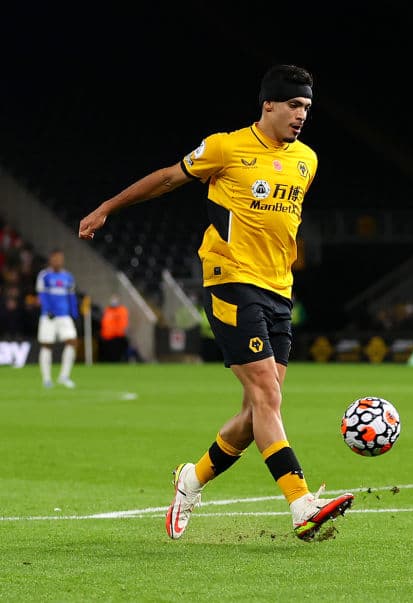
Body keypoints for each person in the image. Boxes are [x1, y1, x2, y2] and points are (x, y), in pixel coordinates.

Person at [78, 64, 353, 542]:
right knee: (268, 396)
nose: (301, 115)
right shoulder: (225, 147)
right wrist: (106, 207)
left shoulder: (307, 160)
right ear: (268, 103)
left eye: (307, 107)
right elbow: (167, 178)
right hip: (229, 282)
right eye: (293, 105)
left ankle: (191, 480)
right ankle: (302, 503)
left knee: (257, 410)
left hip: (278, 291)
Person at [36, 249, 79, 388]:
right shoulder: (44, 276)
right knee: (47, 345)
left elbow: (71, 297)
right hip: (48, 317)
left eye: (60, 258)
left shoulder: (68, 277)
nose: (58, 261)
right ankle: (47, 379)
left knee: (72, 341)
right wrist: (48, 310)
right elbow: (41, 295)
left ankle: (64, 376)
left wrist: (75, 313)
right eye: (56, 258)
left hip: (64, 316)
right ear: (51, 259)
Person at [98, 294, 129, 362]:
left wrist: (119, 332)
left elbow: (123, 323)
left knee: (115, 356)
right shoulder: (108, 310)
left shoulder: (121, 310)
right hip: (106, 337)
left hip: (116, 337)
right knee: (107, 355)